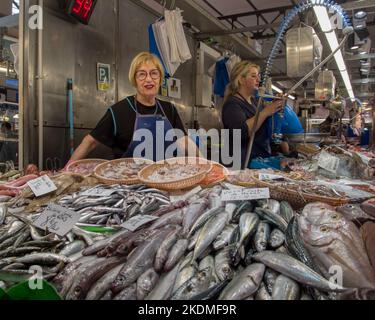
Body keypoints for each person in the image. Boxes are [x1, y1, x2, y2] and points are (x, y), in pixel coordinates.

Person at [69, 52, 198, 163]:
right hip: (128, 182)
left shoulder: (169, 109)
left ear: (160, 79)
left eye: (154, 73)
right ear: (134, 79)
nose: (148, 79)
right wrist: (66, 170)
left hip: (164, 178)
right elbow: (90, 142)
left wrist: (206, 165)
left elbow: (184, 141)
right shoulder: (118, 111)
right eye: (142, 74)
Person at [221, 61, 283, 169]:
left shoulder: (255, 102)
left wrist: (275, 106)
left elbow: (263, 122)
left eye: (258, 76)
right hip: (240, 163)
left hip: (257, 158)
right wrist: (265, 112)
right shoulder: (232, 104)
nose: (258, 80)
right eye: (253, 76)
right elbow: (242, 132)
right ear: (241, 80)